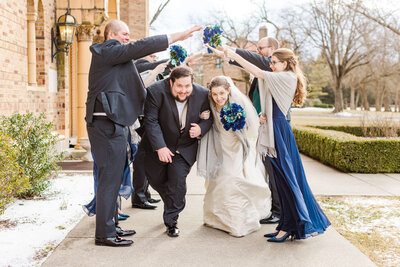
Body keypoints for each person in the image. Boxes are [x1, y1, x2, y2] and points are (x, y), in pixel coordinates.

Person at [86, 19, 201, 247]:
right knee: (109, 181)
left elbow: (145, 67)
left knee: (115, 178)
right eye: (124, 34)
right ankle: (105, 234)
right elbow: (138, 48)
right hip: (105, 124)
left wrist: (178, 62)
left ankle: (112, 225)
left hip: (115, 124)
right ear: (110, 35)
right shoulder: (104, 50)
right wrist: (175, 37)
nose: (128, 38)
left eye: (129, 34)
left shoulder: (116, 62)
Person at [219, 46, 331, 242]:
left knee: (286, 178)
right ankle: (286, 225)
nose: (270, 65)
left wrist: (233, 55)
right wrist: (264, 116)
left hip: (279, 130)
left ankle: (292, 225)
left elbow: (257, 72)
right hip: (274, 126)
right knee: (279, 179)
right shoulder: (281, 75)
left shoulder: (287, 76)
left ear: (285, 63)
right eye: (270, 62)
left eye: (274, 62)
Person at [197, 76, 271, 237]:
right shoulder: (209, 104)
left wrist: (254, 121)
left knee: (232, 179)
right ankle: (216, 218)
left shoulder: (237, 105)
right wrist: (203, 117)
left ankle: (238, 222)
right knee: (216, 181)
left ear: (228, 91)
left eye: (222, 93)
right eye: (215, 94)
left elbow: (251, 127)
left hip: (236, 147)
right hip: (219, 147)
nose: (218, 98)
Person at [143, 66, 212, 237]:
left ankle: (171, 221)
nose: (184, 91)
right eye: (179, 86)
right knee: (156, 180)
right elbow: (151, 121)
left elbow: (210, 118)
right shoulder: (155, 91)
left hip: (185, 148)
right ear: (170, 82)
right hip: (158, 145)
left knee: (177, 182)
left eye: (187, 86)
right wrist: (160, 146)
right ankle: (172, 200)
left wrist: (201, 128)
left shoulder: (203, 94)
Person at [223, 37, 284, 224]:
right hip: (262, 125)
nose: (258, 51)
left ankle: (279, 211)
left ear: (272, 49)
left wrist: (234, 51)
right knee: (265, 169)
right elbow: (251, 67)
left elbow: (256, 62)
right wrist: (228, 56)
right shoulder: (266, 69)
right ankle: (271, 207)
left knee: (275, 171)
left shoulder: (271, 67)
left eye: (260, 48)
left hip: (275, 128)